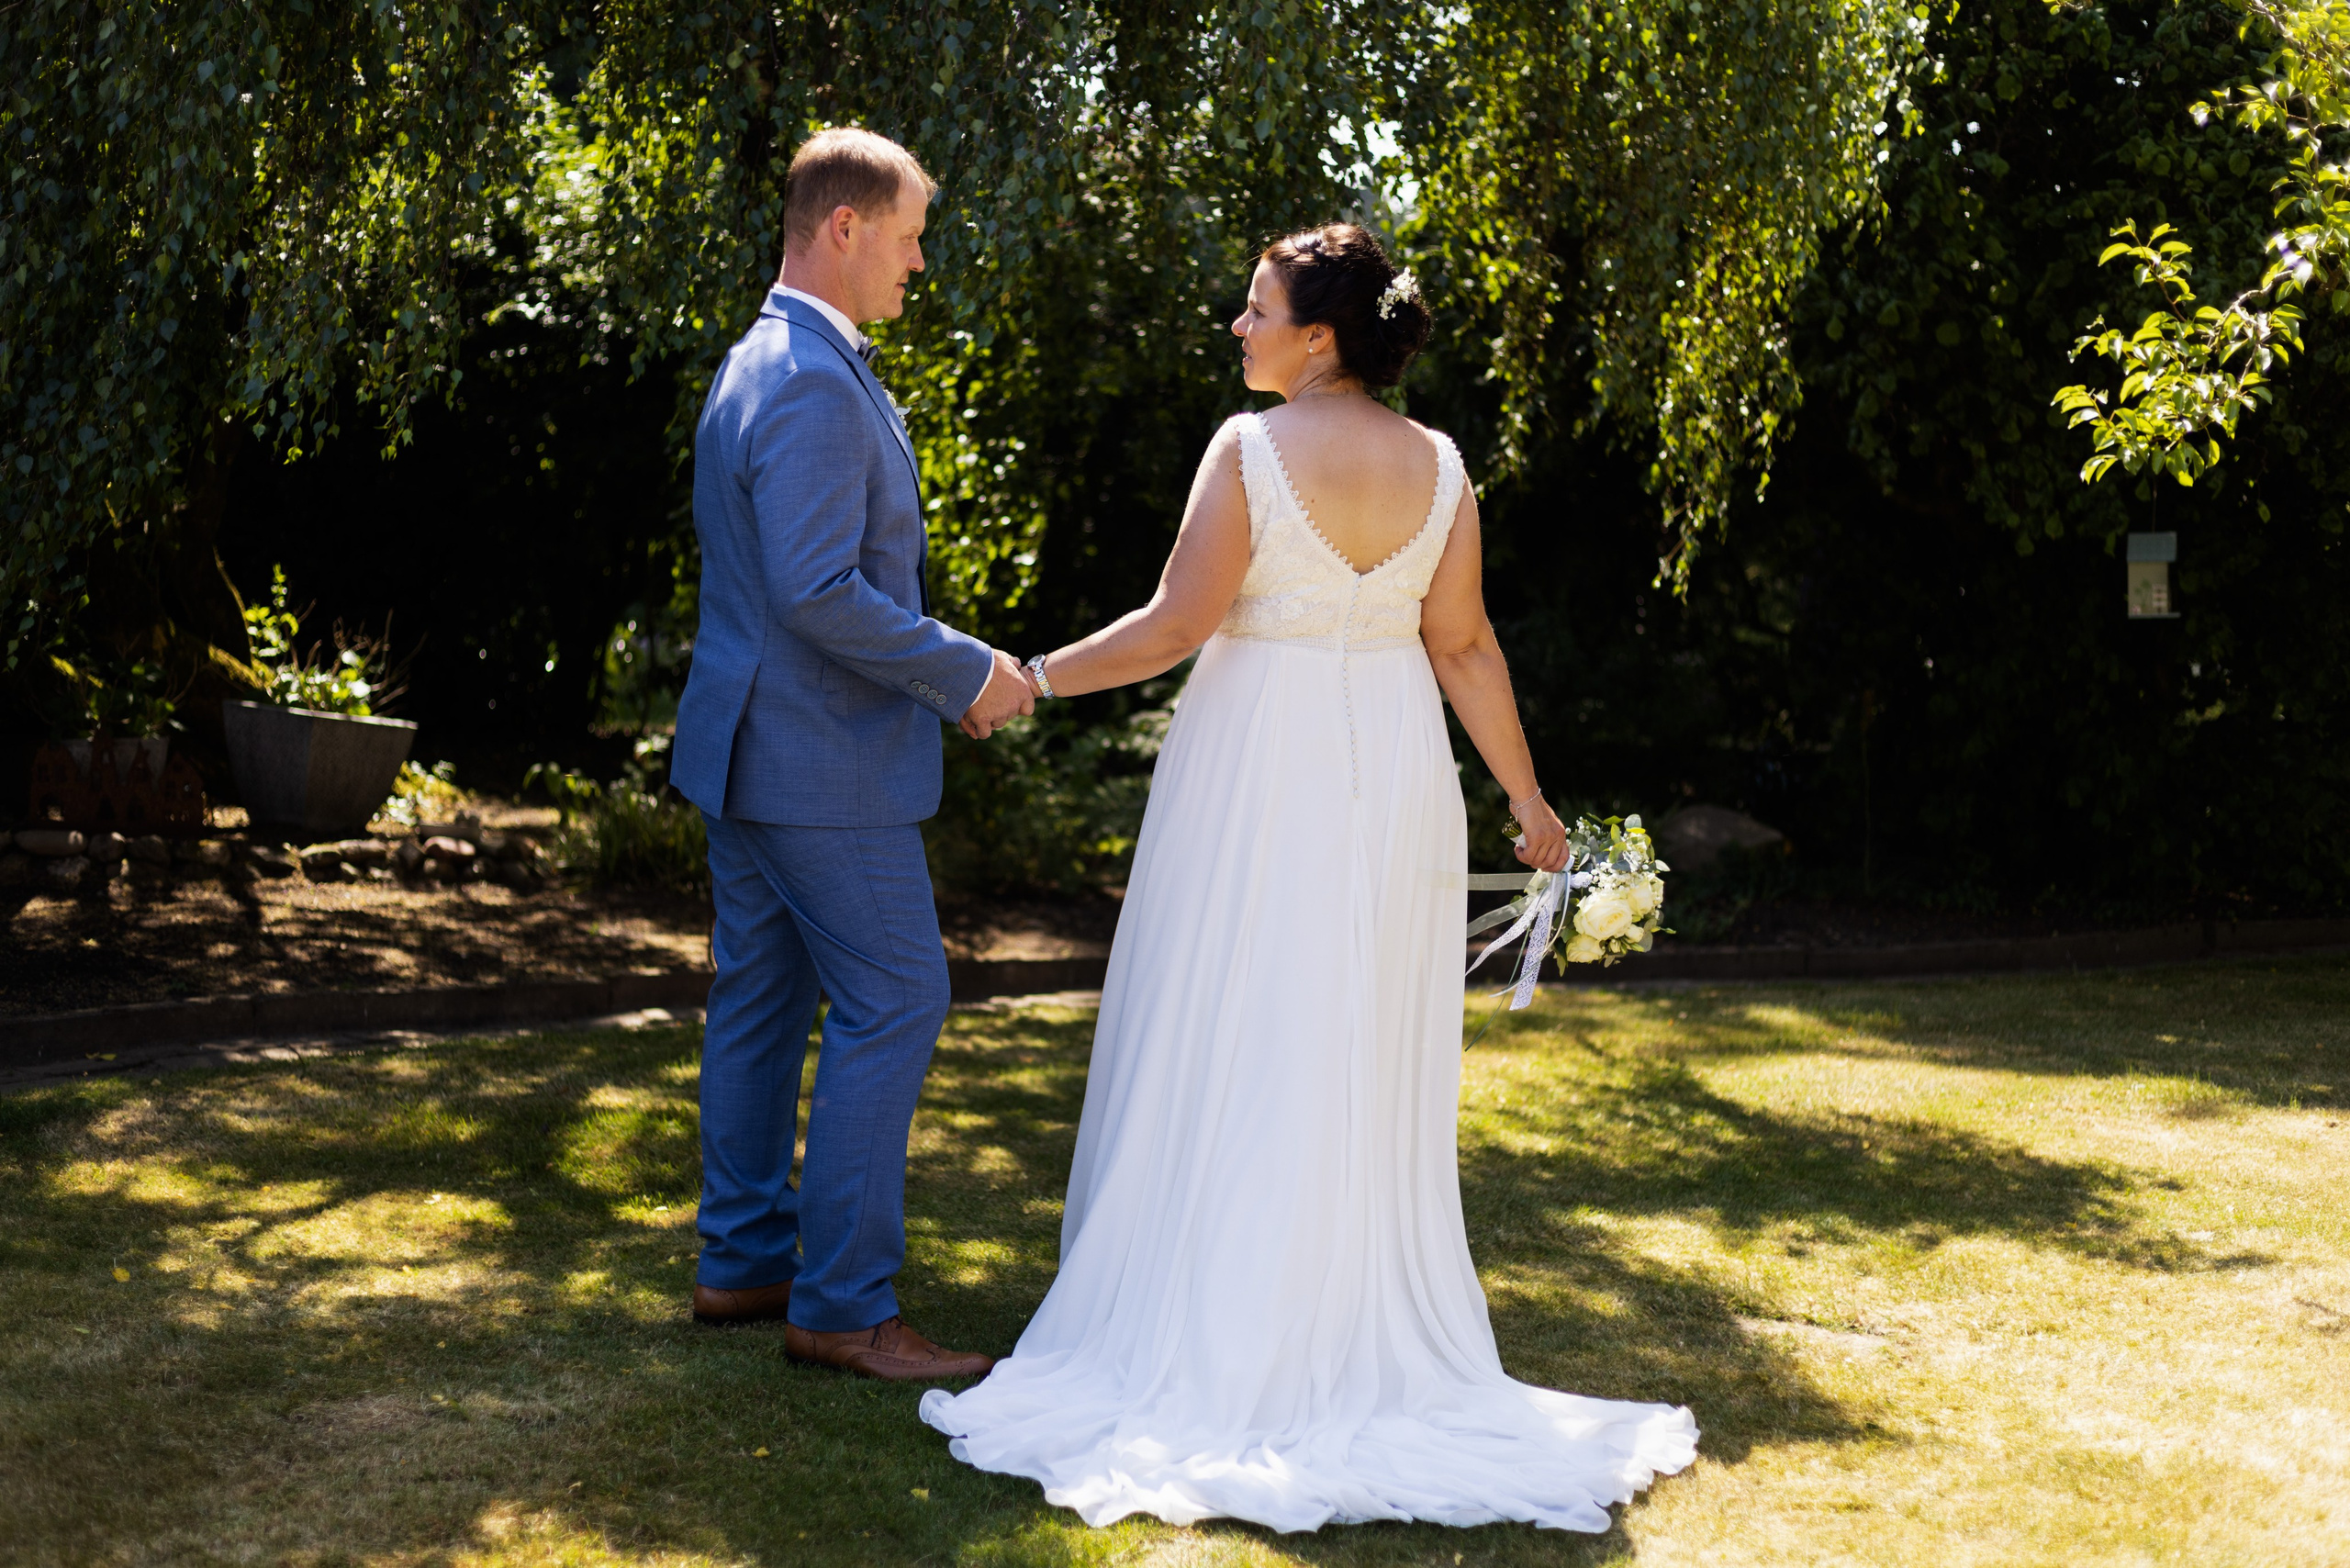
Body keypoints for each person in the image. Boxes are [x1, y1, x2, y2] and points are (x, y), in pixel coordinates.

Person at [918, 224, 1699, 1529]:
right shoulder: (1442, 468)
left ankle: (1222, 1326)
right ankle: (1333, 1323)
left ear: (1319, 334)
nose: (1238, 324)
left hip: (1258, 770)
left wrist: (1036, 678)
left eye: (1256, 305)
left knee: (1237, 1020)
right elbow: (1462, 647)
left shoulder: (1248, 451)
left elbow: (1177, 625)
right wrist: (1525, 795)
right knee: (1349, 1039)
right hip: (1393, 775)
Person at [668, 127, 1034, 1381]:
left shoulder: (756, 360)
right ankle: (841, 1307)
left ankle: (745, 1262)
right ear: (845, 227)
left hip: (747, 755)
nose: (920, 261)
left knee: (764, 1004)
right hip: (819, 764)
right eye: (911, 232)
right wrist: (965, 672)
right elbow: (819, 591)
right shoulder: (816, 378)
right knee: (899, 1000)